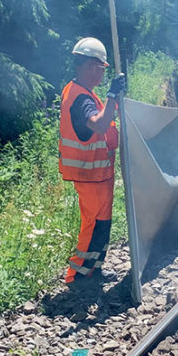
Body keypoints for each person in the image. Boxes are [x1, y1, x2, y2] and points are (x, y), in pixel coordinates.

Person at [59, 37, 125, 286]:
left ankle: (93, 270)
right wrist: (112, 95)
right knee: (93, 224)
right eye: (100, 68)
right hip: (89, 174)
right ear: (88, 65)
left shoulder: (86, 94)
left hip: (100, 174)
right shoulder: (80, 98)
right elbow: (98, 125)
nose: (101, 73)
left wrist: (114, 99)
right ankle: (77, 276)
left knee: (102, 223)